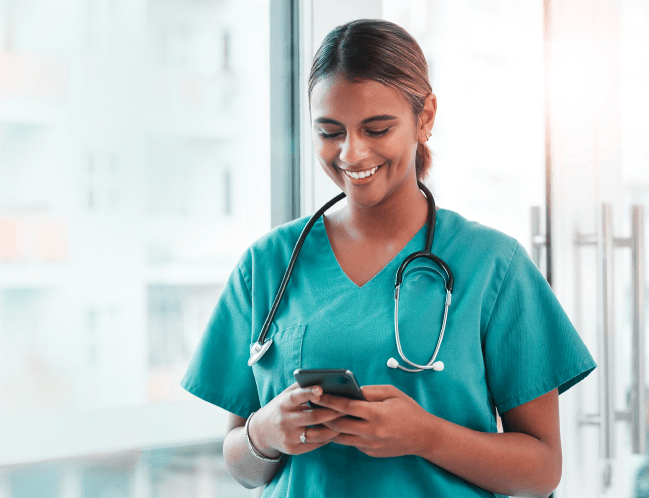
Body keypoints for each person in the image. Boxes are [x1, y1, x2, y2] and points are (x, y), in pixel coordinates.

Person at [180, 19, 595, 498]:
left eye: (376, 128)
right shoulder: (268, 264)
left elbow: (542, 470)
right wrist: (264, 433)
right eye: (330, 131)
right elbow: (243, 466)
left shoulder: (493, 266)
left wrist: (426, 436)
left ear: (425, 117)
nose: (352, 153)